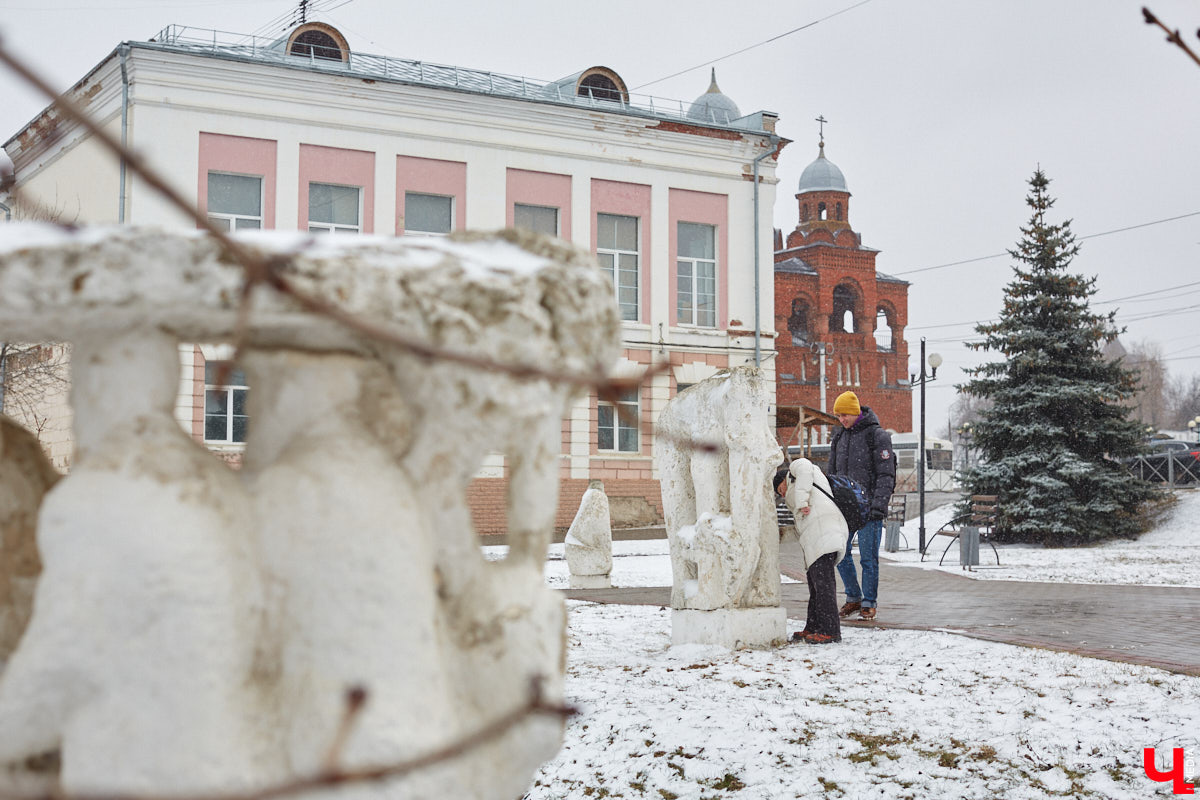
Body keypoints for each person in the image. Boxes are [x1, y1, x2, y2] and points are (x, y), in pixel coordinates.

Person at [827, 391, 896, 621]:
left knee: (868, 558)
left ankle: (868, 602)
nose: (841, 420)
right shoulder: (838, 438)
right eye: (838, 416)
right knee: (840, 554)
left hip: (869, 509)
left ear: (855, 412)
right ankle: (853, 597)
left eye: (844, 414)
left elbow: (886, 474)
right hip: (845, 510)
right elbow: (832, 475)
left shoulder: (877, 436)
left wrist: (879, 505)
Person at [781, 458, 848, 644]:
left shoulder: (798, 468)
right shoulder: (797, 494)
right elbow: (800, 528)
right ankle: (813, 627)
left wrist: (801, 500)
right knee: (816, 585)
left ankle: (830, 631)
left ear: (783, 480)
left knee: (824, 585)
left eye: (780, 489)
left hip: (825, 534)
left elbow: (804, 466)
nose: (782, 493)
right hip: (818, 538)